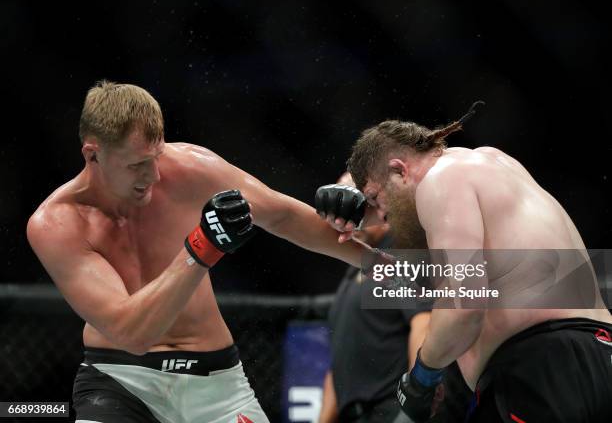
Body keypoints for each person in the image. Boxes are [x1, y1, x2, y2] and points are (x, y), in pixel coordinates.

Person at [26, 80, 364, 423]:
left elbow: (282, 215)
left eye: (156, 157)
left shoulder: (190, 168)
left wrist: (393, 267)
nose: (154, 175)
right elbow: (133, 333)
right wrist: (203, 245)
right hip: (119, 380)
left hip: (216, 383)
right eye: (137, 164)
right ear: (92, 154)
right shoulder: (56, 225)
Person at [314, 105, 612, 422]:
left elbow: (464, 303)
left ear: (400, 170)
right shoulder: (492, 163)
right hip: (599, 353)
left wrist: (421, 378)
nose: (384, 217)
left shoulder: (439, 181)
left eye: (375, 199)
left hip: (539, 369)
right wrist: (351, 209)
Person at [318, 172, 431, 423]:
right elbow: (340, 360)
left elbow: (424, 324)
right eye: (338, 206)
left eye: (352, 204)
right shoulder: (354, 271)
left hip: (390, 410)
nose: (344, 215)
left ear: (377, 204)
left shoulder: (402, 255)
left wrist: (414, 408)